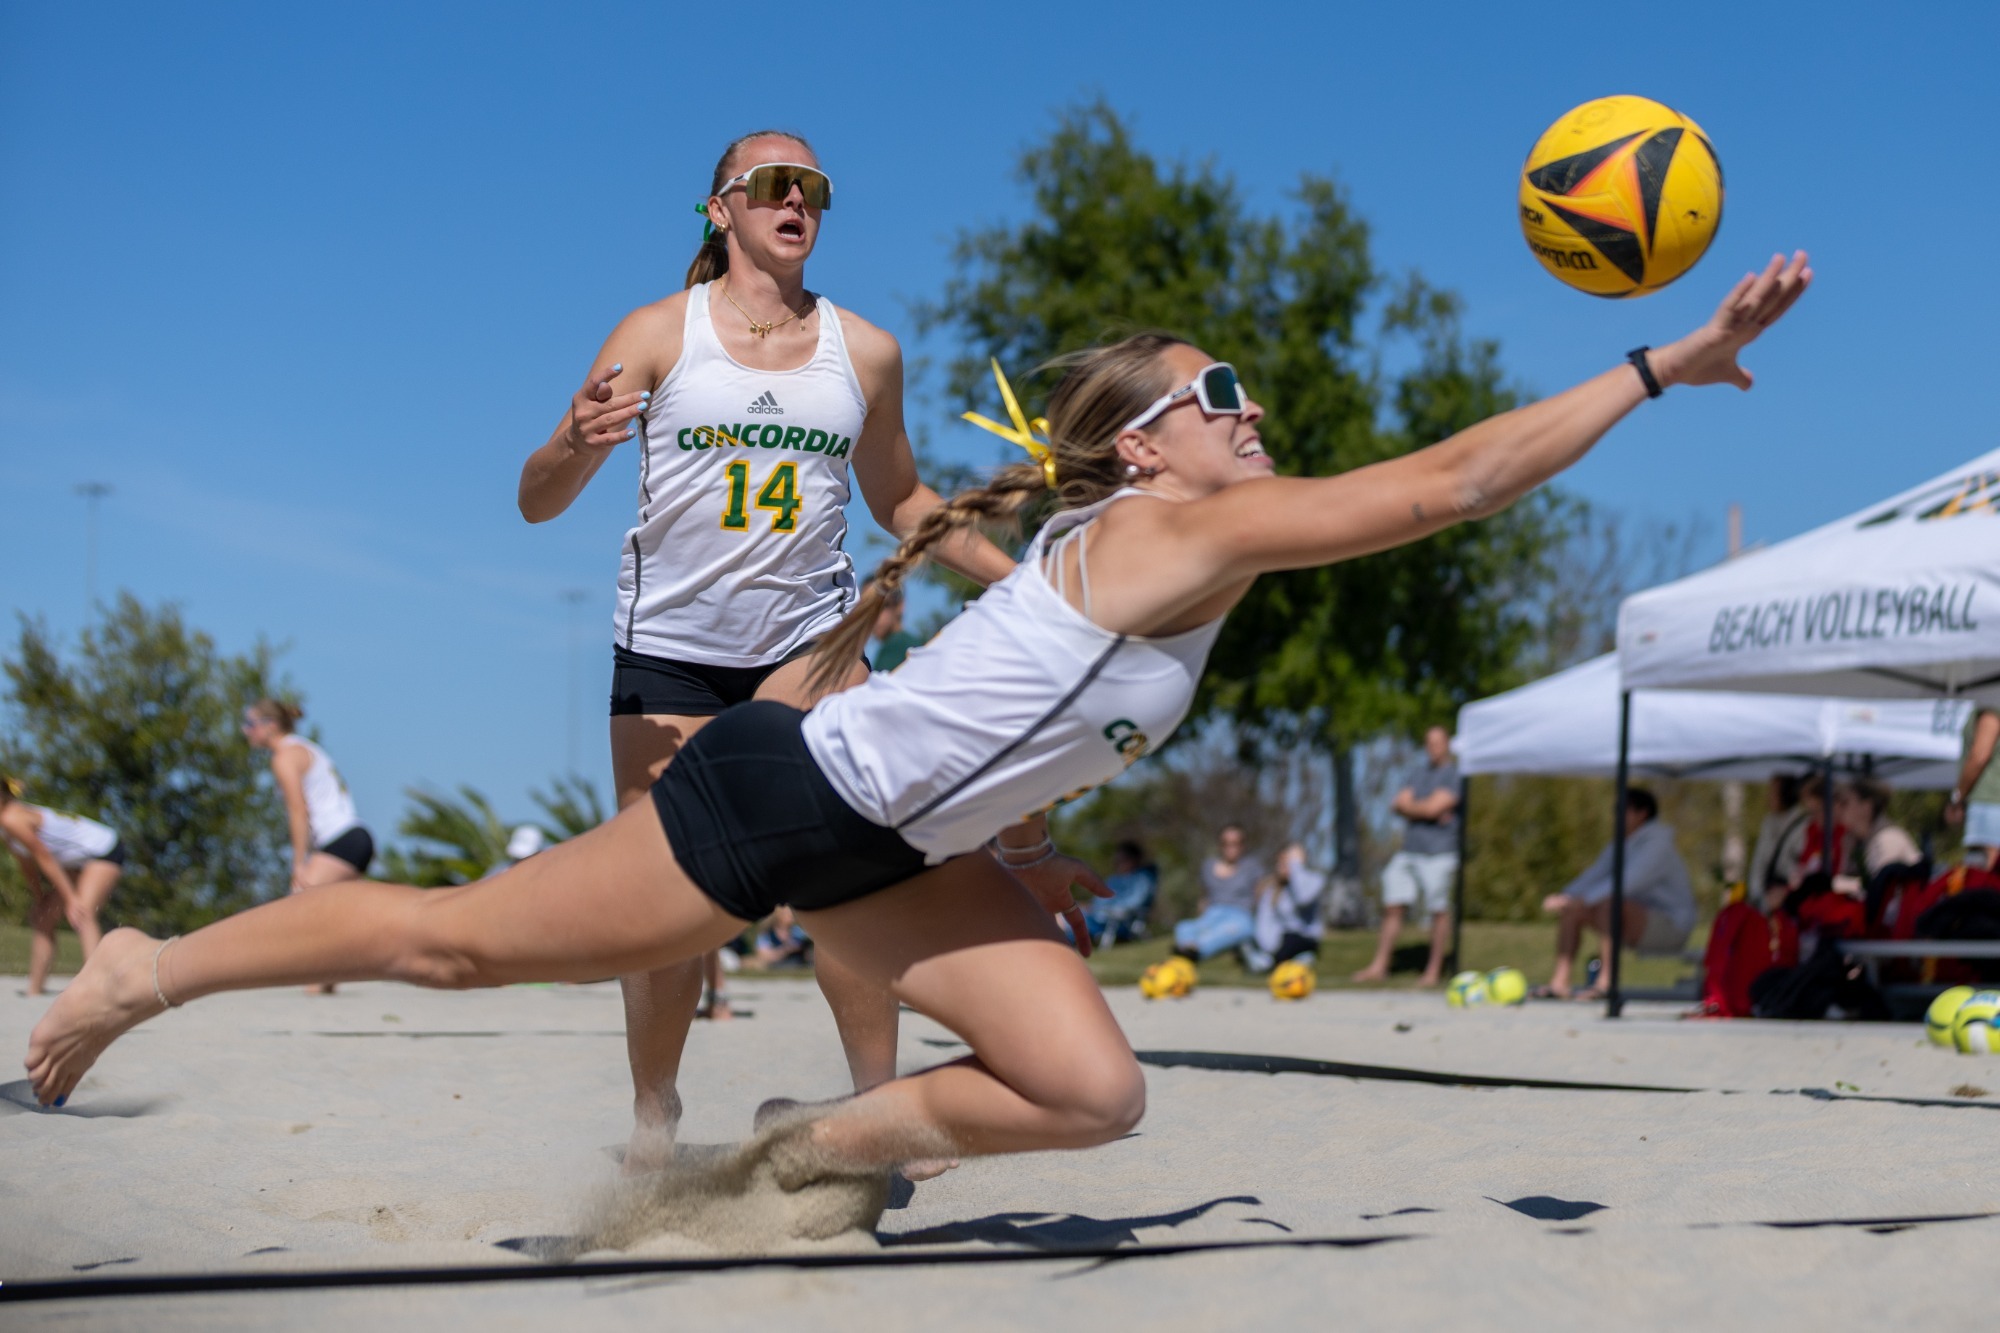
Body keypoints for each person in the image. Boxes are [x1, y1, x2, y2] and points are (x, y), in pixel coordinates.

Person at [27, 252, 1809, 1209]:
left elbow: (1020, 723)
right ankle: (145, 970)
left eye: (1247, 393)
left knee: (1093, 1092)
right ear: (1144, 446)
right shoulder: (1182, 528)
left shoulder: (1178, 544)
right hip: (791, 800)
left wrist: (1024, 848)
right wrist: (1661, 365)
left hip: (900, 845)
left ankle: (801, 1147)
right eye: (1220, 394)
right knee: (450, 945)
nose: (1251, 411)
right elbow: (1450, 484)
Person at [514, 130, 1013, 1167]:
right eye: (774, 185)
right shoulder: (657, 333)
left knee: (851, 874)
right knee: (666, 908)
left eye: (814, 188)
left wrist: (1021, 581)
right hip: (672, 652)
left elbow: (900, 500)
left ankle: (878, 1109)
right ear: (720, 210)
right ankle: (654, 1113)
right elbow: (536, 502)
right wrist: (570, 442)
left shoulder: (864, 351)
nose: (797, 201)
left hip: (809, 644)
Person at [241, 699, 373, 995]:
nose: (245, 730)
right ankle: (326, 983)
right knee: (332, 918)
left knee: (299, 909)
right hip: (355, 837)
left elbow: (298, 811)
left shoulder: (285, 757)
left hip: (341, 839)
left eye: (250, 724)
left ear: (270, 726)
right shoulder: (306, 747)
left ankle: (318, 982)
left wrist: (299, 862)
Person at [1539, 788, 1699, 1000]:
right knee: (1572, 912)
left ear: (1642, 814)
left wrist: (1582, 900)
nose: (1615, 815)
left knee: (1609, 905)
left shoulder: (1658, 845)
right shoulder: (1621, 844)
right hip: (1639, 921)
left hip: (1671, 928)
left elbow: (1627, 883)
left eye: (1621, 809)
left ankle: (1606, 983)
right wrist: (1566, 897)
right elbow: (1595, 875)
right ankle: (1559, 983)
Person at [0, 775, 123, 996]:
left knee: (82, 913)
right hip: (73, 861)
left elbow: (43, 857)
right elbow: (26, 863)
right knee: (43, 918)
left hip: (102, 850)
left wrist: (71, 899)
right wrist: (39, 898)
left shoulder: (12, 818)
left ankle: (97, 988)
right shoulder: (4, 825)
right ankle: (34, 991)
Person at [1355, 725, 1459, 986]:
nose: (1433, 748)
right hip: (1409, 850)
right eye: (1429, 743)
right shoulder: (1417, 773)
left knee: (1438, 909)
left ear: (1447, 744)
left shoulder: (1454, 775)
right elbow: (1398, 804)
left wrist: (1413, 807)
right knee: (1392, 904)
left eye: (1437, 743)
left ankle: (1433, 971)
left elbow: (1432, 807)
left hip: (1439, 852)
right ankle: (1379, 966)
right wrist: (1424, 808)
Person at [1172, 825, 1264, 963]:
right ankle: (1188, 947)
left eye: (1235, 843)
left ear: (1242, 845)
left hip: (1239, 914)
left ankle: (1196, 951)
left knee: (1240, 929)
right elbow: (1204, 896)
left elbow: (1260, 895)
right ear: (1220, 845)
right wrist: (1202, 917)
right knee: (1184, 927)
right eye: (1226, 843)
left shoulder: (1251, 867)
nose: (1230, 848)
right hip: (1213, 913)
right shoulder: (1208, 866)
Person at [1831, 778, 1922, 899]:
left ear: (1866, 807)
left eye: (1845, 803)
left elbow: (1881, 890)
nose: (1838, 808)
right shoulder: (1853, 840)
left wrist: (1835, 884)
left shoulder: (1888, 839)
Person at [1245, 842, 1326, 973]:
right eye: (1282, 861)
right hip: (1281, 941)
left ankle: (1275, 963)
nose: (1284, 864)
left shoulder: (1315, 880)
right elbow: (1264, 922)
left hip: (1305, 938)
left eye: (1290, 861)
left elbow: (1303, 898)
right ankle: (1270, 960)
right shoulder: (1272, 889)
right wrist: (1268, 948)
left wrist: (1295, 867)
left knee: (1291, 939)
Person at [1075, 840, 1157, 947]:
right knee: (1065, 913)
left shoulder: (1142, 879)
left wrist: (1103, 909)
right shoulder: (1113, 879)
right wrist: (1089, 906)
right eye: (1117, 861)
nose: (1118, 864)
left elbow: (1133, 903)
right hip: (1098, 917)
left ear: (1133, 860)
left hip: (1119, 922)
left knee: (1068, 920)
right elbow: (1099, 899)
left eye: (1122, 860)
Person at [1948, 705, 2000, 869]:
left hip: (1990, 802)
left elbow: (1979, 756)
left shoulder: (1991, 709)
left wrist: (1957, 797)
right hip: (1991, 802)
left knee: (1989, 871)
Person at [1747, 773, 1810, 903]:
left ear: (1786, 794)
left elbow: (1799, 865)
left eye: (1773, 792)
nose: (1768, 797)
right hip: (1765, 895)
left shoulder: (1803, 825)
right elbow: (1759, 862)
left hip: (1787, 895)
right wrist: (1756, 894)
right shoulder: (1769, 822)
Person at [868, 581, 922, 672]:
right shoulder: (915, 643)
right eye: (867, 609)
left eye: (882, 605)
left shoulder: (895, 646)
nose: (874, 615)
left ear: (900, 605)